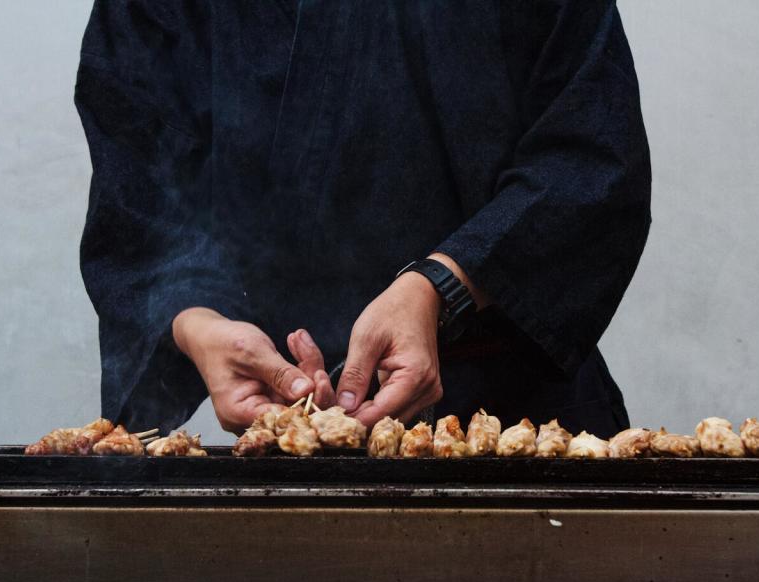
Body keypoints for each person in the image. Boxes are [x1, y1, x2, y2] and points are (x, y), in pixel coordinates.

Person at [76, 0, 651, 438]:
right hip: (290, 420)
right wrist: (199, 325)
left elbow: (590, 152)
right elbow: (138, 185)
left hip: (513, 422)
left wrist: (443, 286)